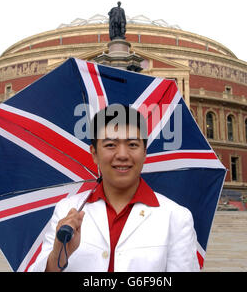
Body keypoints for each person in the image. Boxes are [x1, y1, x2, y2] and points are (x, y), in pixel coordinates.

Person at [28, 104, 200, 272]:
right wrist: (58, 255)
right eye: (110, 145)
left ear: (145, 152)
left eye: (133, 144)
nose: (123, 155)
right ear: (94, 153)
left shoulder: (176, 217)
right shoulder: (67, 211)